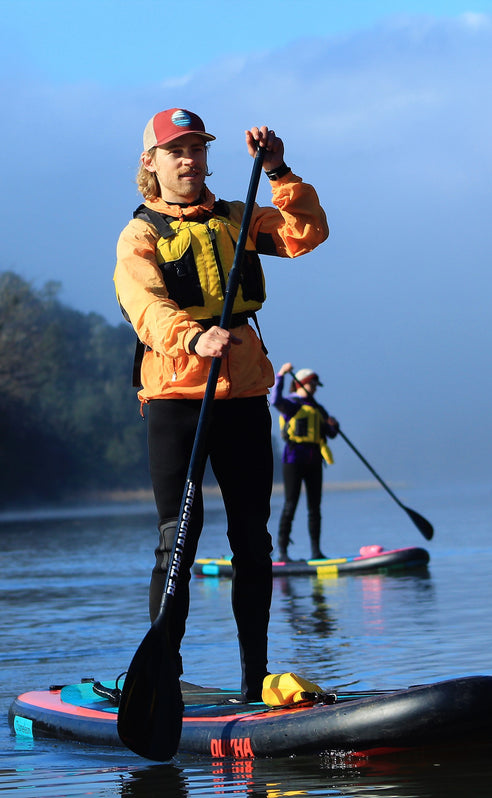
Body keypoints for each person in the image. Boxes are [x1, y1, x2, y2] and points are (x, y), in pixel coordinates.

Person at [113, 108, 328, 702]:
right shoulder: (141, 234)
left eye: (198, 150)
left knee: (252, 541)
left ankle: (255, 677)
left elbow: (305, 234)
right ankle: (165, 677)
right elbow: (144, 304)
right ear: (152, 163)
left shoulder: (238, 215)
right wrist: (191, 336)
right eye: (176, 151)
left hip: (243, 396)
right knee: (178, 537)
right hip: (177, 398)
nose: (189, 161)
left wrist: (279, 169)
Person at [273, 362, 339, 561]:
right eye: (312, 385)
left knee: (315, 508)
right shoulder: (291, 404)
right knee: (290, 505)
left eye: (316, 386)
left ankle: (316, 552)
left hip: (314, 461)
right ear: (301, 384)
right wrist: (281, 376)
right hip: (293, 459)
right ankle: (283, 553)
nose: (315, 389)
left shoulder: (319, 409)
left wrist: (334, 425)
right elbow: (275, 400)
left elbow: (332, 433)